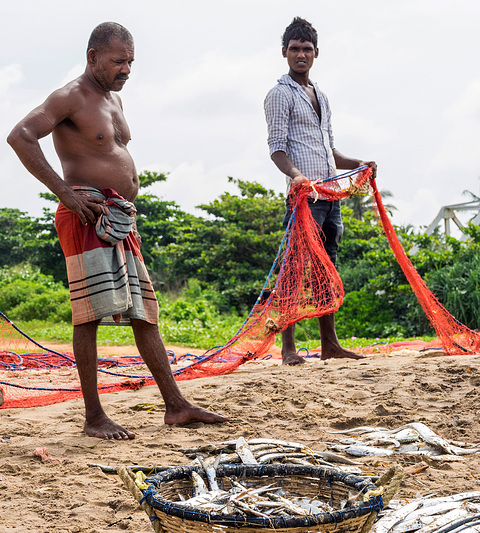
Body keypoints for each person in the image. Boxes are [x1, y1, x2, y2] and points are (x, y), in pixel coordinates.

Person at [7, 22, 227, 439]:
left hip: (117, 217)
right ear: (92, 57)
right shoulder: (70, 96)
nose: (126, 69)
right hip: (86, 215)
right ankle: (94, 417)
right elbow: (20, 136)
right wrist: (66, 194)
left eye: (130, 62)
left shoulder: (113, 100)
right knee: (88, 314)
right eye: (117, 61)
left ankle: (176, 405)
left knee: (144, 311)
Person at [264, 17, 377, 366]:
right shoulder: (279, 94)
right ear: (284, 52)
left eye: (307, 49)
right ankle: (288, 349)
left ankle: (330, 344)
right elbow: (276, 148)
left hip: (330, 197)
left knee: (327, 269)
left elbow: (330, 151)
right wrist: (296, 176)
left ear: (316, 54)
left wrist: (360, 163)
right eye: (295, 49)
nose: (301, 54)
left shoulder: (321, 96)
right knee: (294, 270)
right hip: (304, 200)